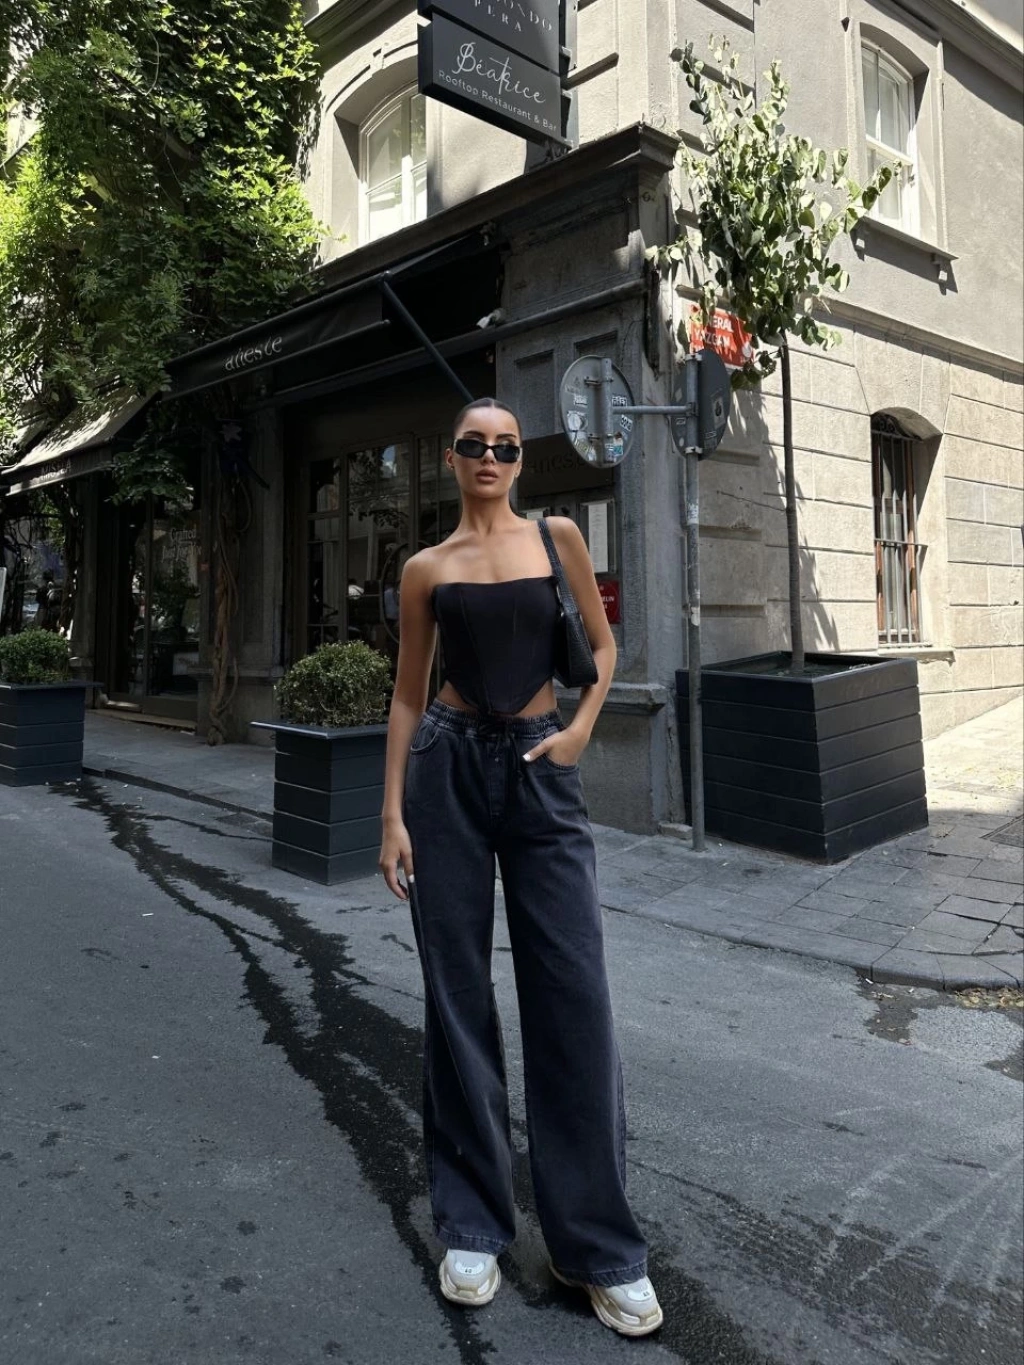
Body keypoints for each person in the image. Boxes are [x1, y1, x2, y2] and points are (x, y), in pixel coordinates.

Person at [378, 397, 663, 1338]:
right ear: (452, 458)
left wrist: (579, 730)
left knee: (572, 989)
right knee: (456, 992)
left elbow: (605, 646)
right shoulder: (427, 567)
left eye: (505, 445)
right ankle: (473, 1224)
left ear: (519, 460)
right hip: (448, 770)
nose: (491, 456)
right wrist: (391, 814)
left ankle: (598, 1246)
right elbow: (408, 696)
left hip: (543, 767)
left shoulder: (557, 538)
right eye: (475, 444)